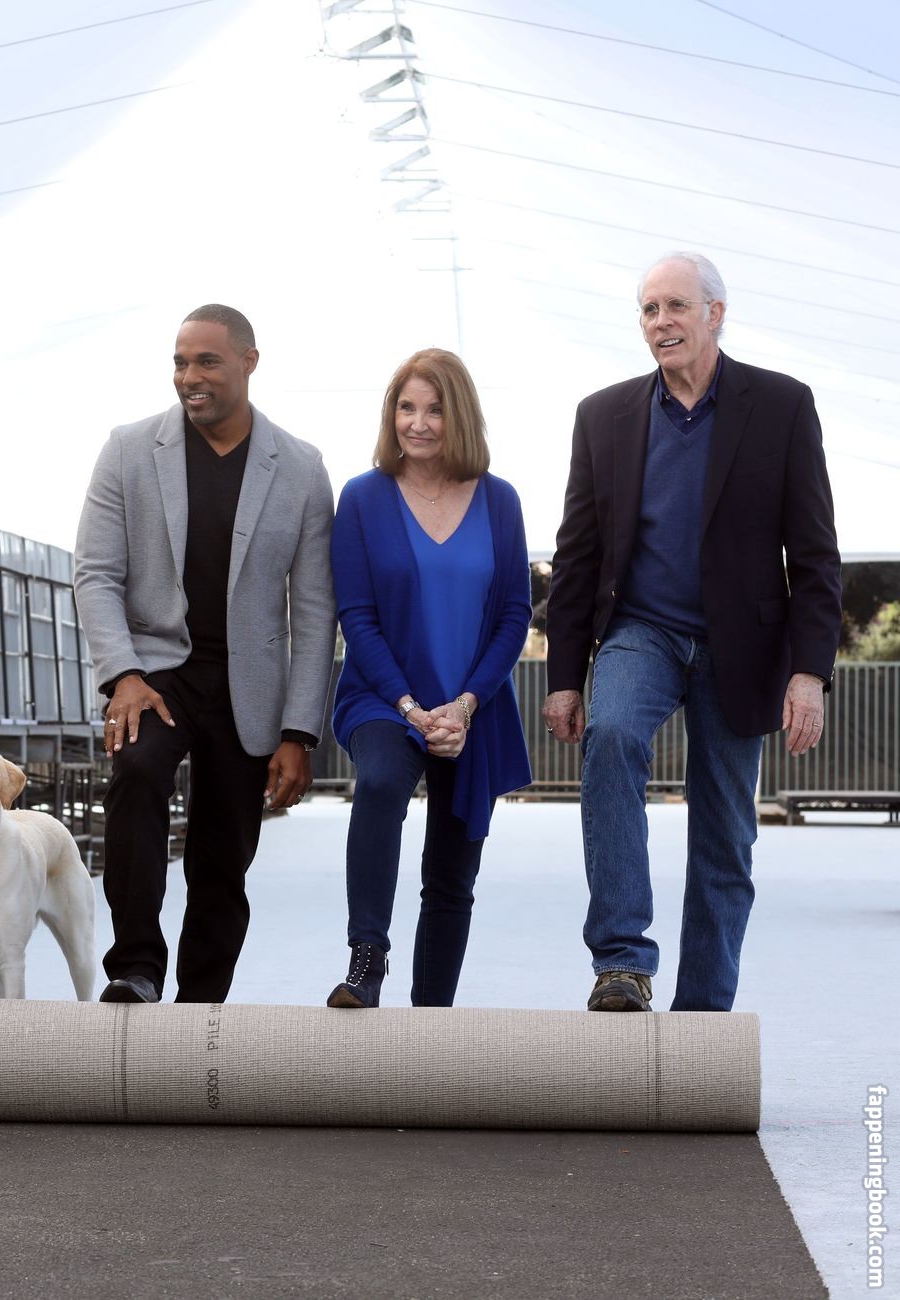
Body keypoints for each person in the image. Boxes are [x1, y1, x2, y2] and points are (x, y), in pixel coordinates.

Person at [544, 252, 842, 1013]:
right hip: (641, 629)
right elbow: (577, 556)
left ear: (715, 313)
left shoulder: (781, 405)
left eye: (675, 305)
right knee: (612, 734)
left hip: (743, 645)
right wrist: (565, 678)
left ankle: (704, 1012)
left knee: (724, 833)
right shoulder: (603, 415)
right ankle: (622, 963)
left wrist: (809, 672)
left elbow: (814, 555)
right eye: (649, 309)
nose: (661, 322)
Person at [72, 305, 337, 1005]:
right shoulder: (128, 450)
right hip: (155, 672)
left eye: (207, 361)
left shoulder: (302, 468)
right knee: (137, 773)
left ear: (249, 362)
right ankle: (135, 966)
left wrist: (298, 732)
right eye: (180, 362)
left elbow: (315, 611)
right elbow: (95, 573)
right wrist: (123, 674)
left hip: (249, 680)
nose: (189, 376)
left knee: (224, 852)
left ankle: (201, 1003)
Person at [324, 349, 532, 1009]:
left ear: (459, 415)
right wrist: (412, 707)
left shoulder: (499, 501)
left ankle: (431, 1013)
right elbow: (356, 615)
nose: (417, 423)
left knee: (452, 870)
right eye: (406, 407)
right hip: (384, 698)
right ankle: (366, 959)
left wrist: (465, 705)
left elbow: (515, 613)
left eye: (435, 409)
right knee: (381, 781)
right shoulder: (363, 498)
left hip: (475, 705)